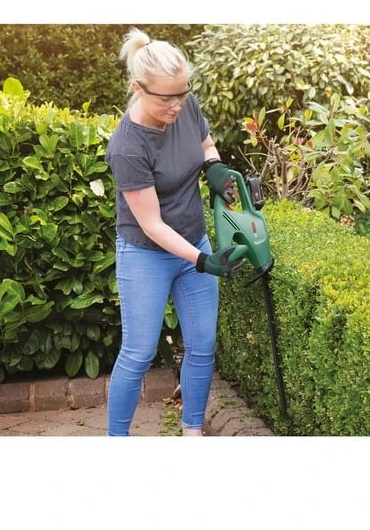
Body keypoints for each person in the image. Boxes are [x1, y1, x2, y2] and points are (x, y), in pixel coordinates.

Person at [105, 27, 244, 436]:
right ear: (139, 88)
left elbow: (206, 144)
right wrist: (203, 260)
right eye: (167, 97)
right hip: (146, 254)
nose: (177, 105)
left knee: (202, 345)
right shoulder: (128, 146)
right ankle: (116, 439)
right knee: (138, 352)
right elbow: (152, 224)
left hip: (194, 240)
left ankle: (192, 432)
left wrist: (213, 166)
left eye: (182, 94)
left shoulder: (184, 104)